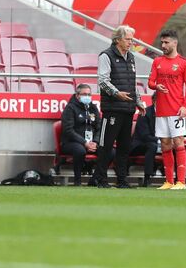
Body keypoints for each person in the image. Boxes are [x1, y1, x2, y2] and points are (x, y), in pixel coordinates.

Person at [93, 24, 146, 189]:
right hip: (112, 109)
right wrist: (117, 94)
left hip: (128, 108)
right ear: (117, 39)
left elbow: (132, 84)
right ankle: (100, 180)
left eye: (131, 39)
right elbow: (103, 80)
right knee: (106, 145)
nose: (130, 42)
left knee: (124, 147)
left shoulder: (131, 57)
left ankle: (122, 180)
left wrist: (138, 102)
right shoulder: (106, 56)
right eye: (127, 39)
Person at [148, 29, 186, 190]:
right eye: (162, 42)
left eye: (166, 42)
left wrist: (185, 106)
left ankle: (181, 182)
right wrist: (156, 86)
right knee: (165, 143)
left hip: (176, 110)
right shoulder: (157, 61)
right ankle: (168, 181)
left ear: (175, 43)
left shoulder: (184, 62)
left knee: (178, 142)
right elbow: (150, 82)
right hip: (161, 109)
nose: (163, 45)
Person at [59, 84, 102, 186]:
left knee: (110, 151)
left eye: (89, 94)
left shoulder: (93, 108)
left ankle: (94, 179)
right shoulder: (70, 108)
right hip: (72, 143)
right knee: (80, 150)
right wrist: (84, 143)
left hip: (91, 143)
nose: (87, 96)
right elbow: (68, 130)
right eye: (84, 94)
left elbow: (99, 128)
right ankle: (77, 181)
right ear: (77, 95)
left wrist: (95, 142)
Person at [129, 97, 158, 187]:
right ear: (154, 101)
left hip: (159, 143)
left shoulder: (167, 113)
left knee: (176, 146)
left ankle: (177, 179)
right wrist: (161, 140)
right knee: (152, 146)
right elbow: (144, 135)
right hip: (140, 144)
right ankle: (147, 178)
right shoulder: (145, 112)